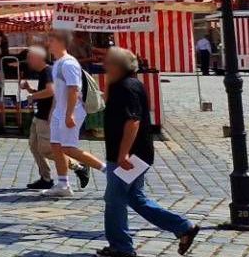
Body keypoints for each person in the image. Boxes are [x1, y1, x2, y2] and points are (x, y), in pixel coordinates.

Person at [98, 47, 199, 257]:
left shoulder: (126, 87)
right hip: (137, 153)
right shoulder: (127, 84)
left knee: (114, 199)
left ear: (119, 66)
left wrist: (123, 153)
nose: (104, 66)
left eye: (109, 63)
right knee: (135, 198)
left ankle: (121, 248)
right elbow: (110, 103)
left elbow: (132, 121)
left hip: (130, 155)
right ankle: (183, 228)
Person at [45, 34, 102, 198]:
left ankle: (110, 172)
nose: (48, 43)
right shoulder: (58, 63)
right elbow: (59, 92)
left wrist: (69, 114)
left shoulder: (69, 63)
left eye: (51, 40)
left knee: (68, 148)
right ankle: (63, 184)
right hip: (59, 112)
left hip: (72, 111)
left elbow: (73, 90)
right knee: (56, 146)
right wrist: (53, 112)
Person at [18, 45, 82, 191]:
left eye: (30, 58)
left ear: (38, 58)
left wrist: (32, 96)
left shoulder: (48, 71)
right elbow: (47, 93)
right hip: (40, 114)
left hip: (46, 116)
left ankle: (77, 165)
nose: (28, 62)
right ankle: (45, 178)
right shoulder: (44, 72)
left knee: (46, 149)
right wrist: (30, 89)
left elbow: (50, 92)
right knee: (34, 146)